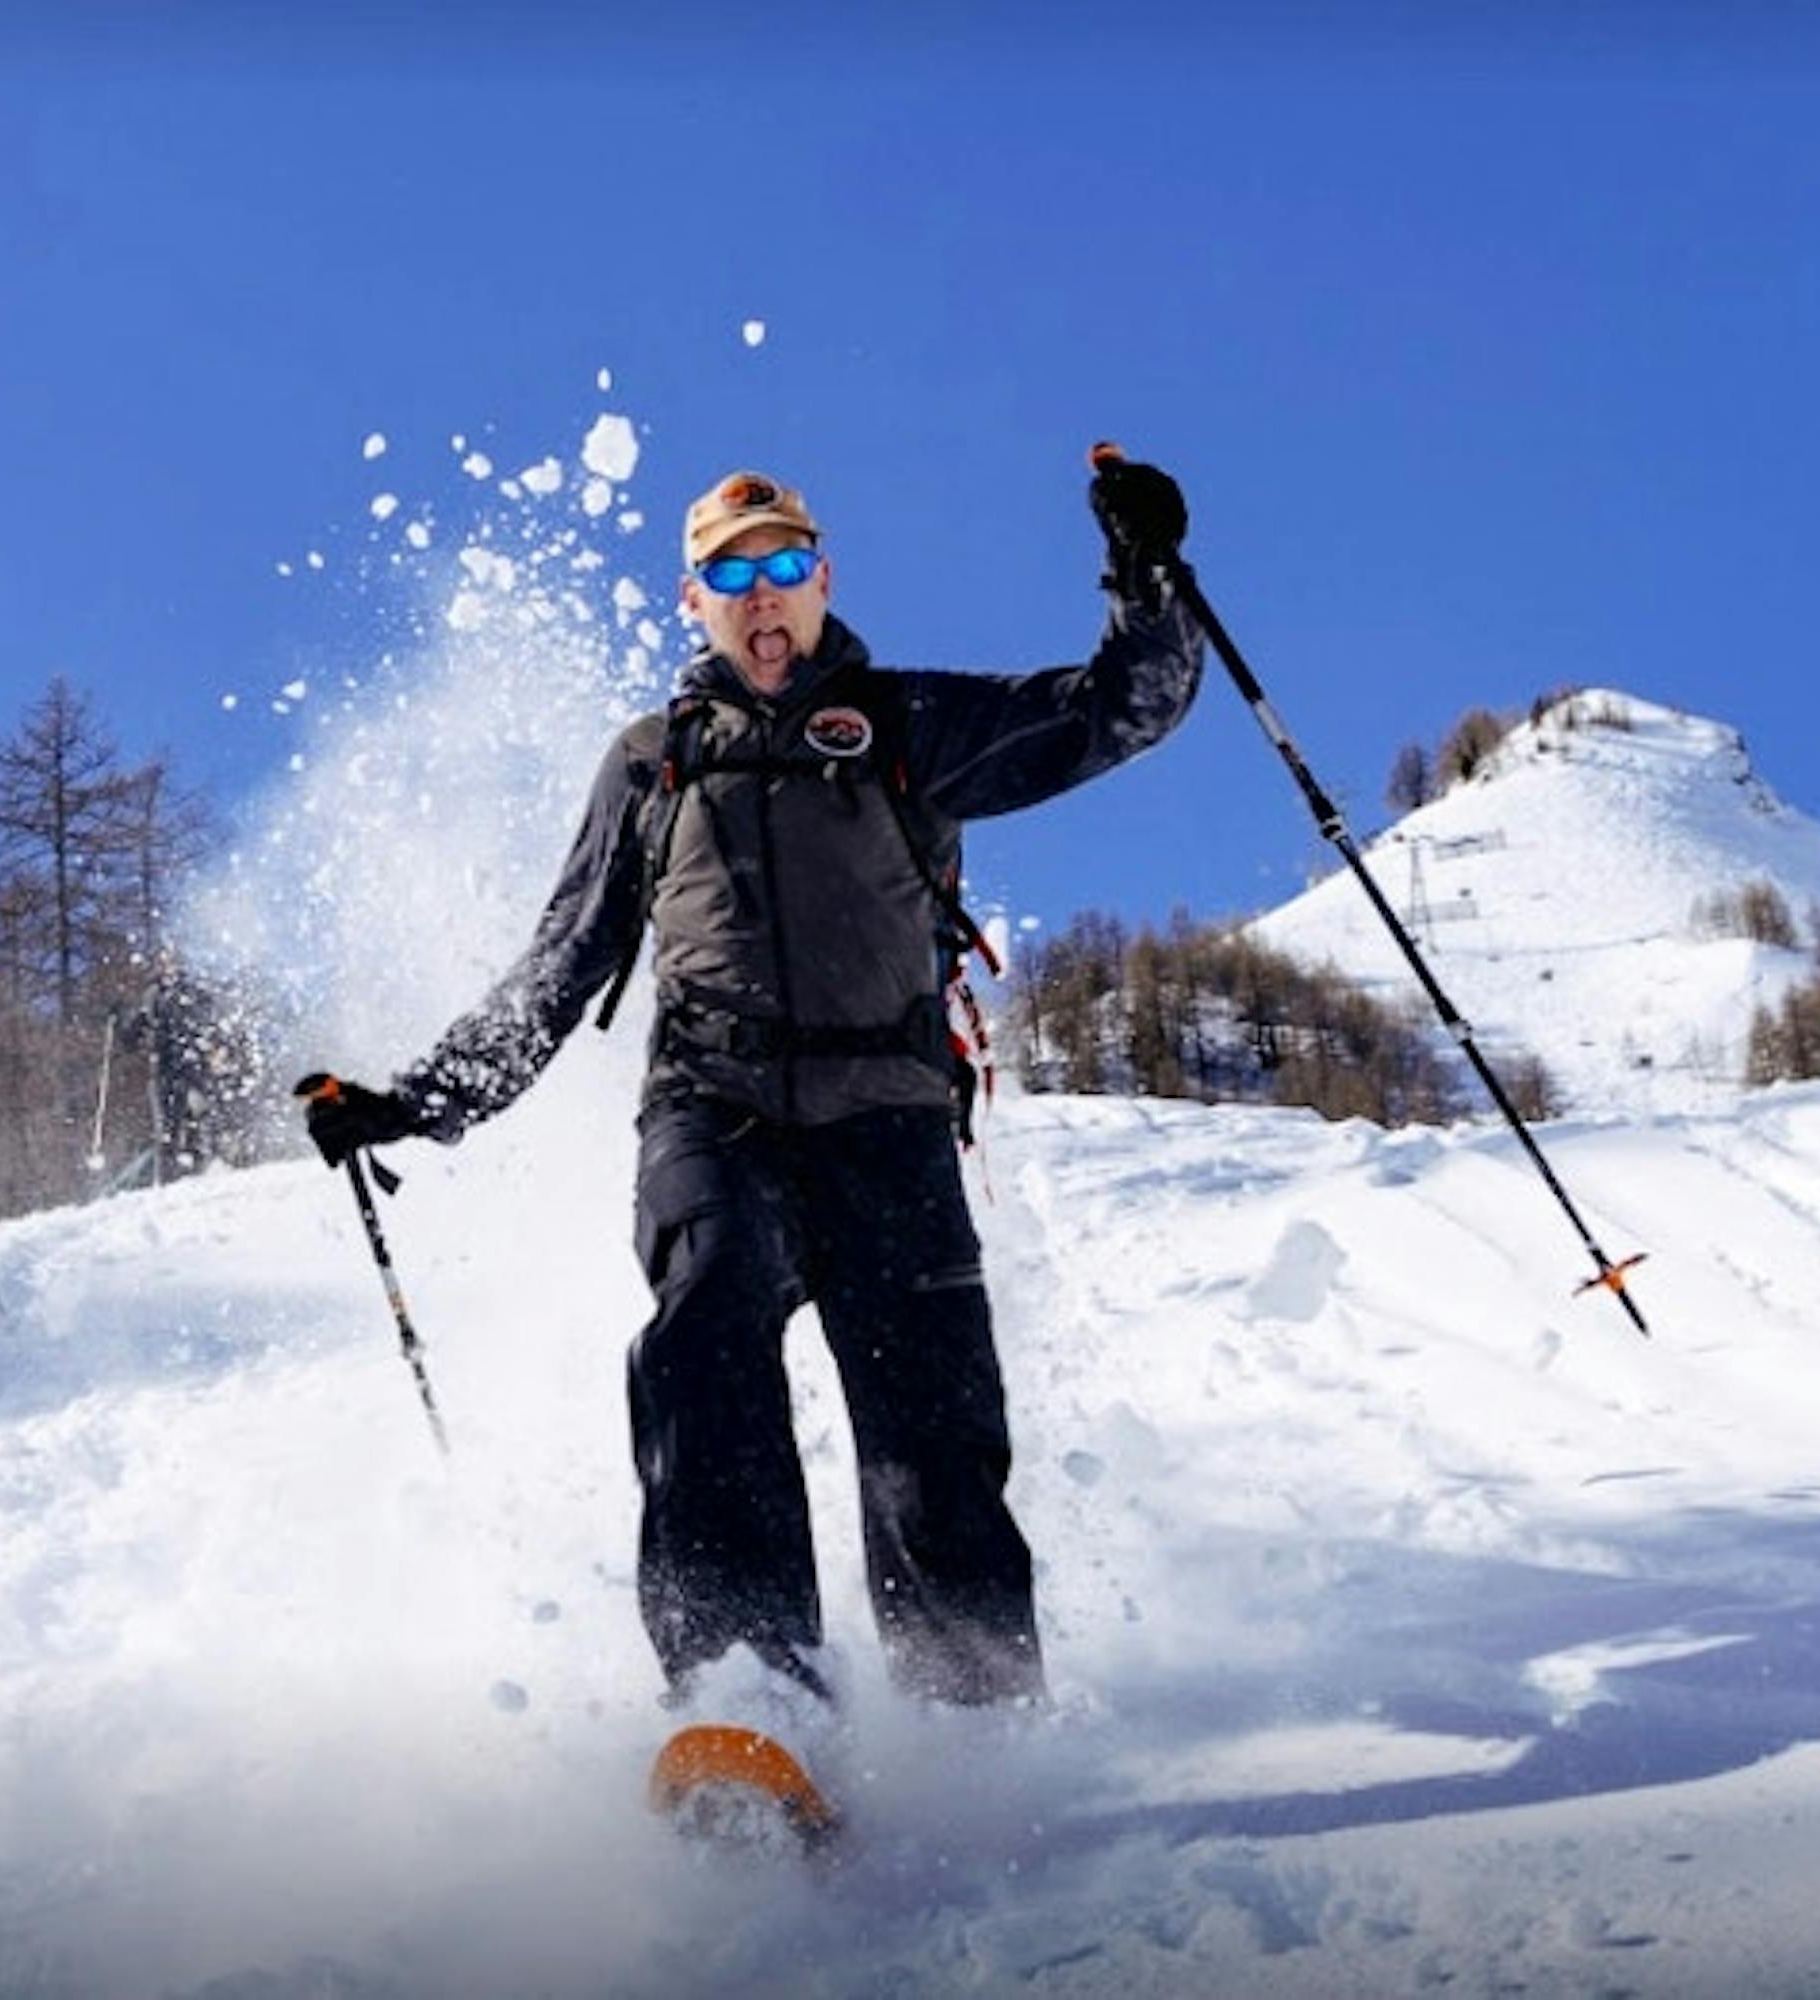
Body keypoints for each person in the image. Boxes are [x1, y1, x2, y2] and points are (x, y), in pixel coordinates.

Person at [301, 451, 1205, 1710]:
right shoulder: (651, 761)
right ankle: (748, 1698)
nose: (761, 591)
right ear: (693, 601)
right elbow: (561, 963)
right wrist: (413, 1099)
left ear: (823, 578)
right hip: (712, 1111)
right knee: (704, 1336)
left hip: (887, 1118)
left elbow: (1116, 711)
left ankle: (973, 1714)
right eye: (730, 573)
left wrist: (1145, 576)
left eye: (783, 563)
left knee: (930, 1425)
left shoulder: (909, 724)